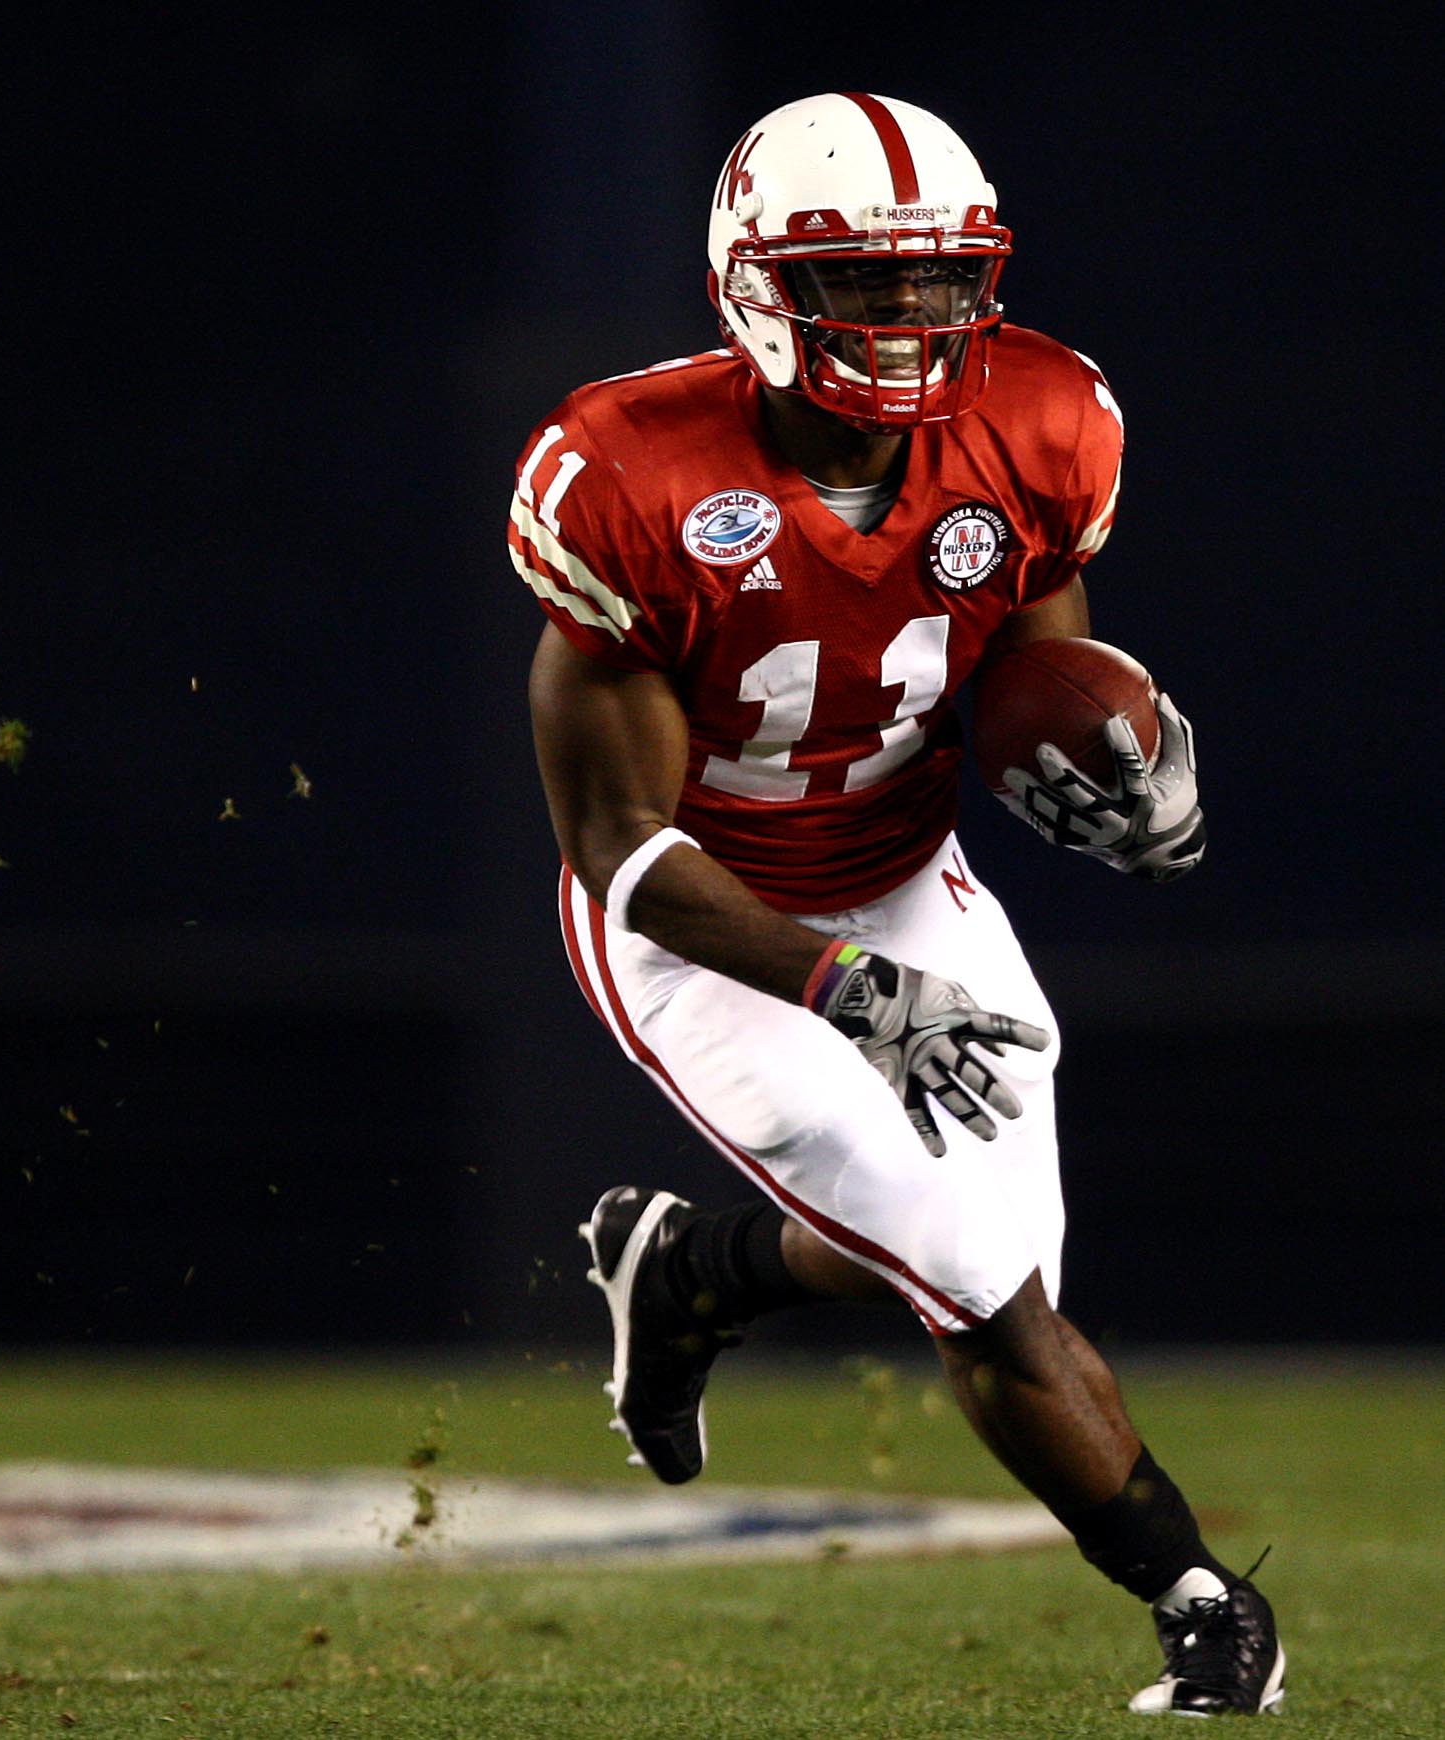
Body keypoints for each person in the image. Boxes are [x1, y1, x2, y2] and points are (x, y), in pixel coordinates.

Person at [509, 92, 1283, 1718]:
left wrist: (1117, 761)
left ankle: (703, 1270)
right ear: (756, 286)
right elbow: (624, 853)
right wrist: (846, 988)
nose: (912, 322)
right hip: (701, 924)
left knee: (999, 1260)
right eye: (864, 282)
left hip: (905, 871)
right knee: (973, 1280)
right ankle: (1200, 1600)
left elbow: (1026, 664)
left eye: (940, 283)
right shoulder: (625, 475)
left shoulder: (1046, 419)